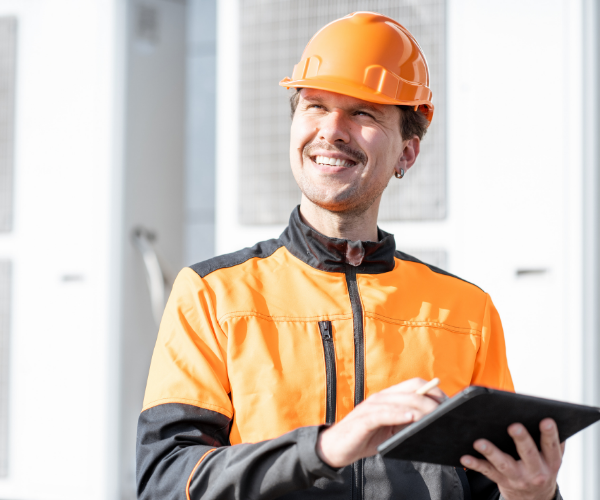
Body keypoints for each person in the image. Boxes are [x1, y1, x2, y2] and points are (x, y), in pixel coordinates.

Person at [136, 12, 564, 500]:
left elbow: (491, 486)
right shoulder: (212, 295)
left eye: (363, 113)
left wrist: (535, 496)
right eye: (315, 106)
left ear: (408, 152)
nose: (332, 130)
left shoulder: (467, 314)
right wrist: (326, 448)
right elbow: (167, 482)